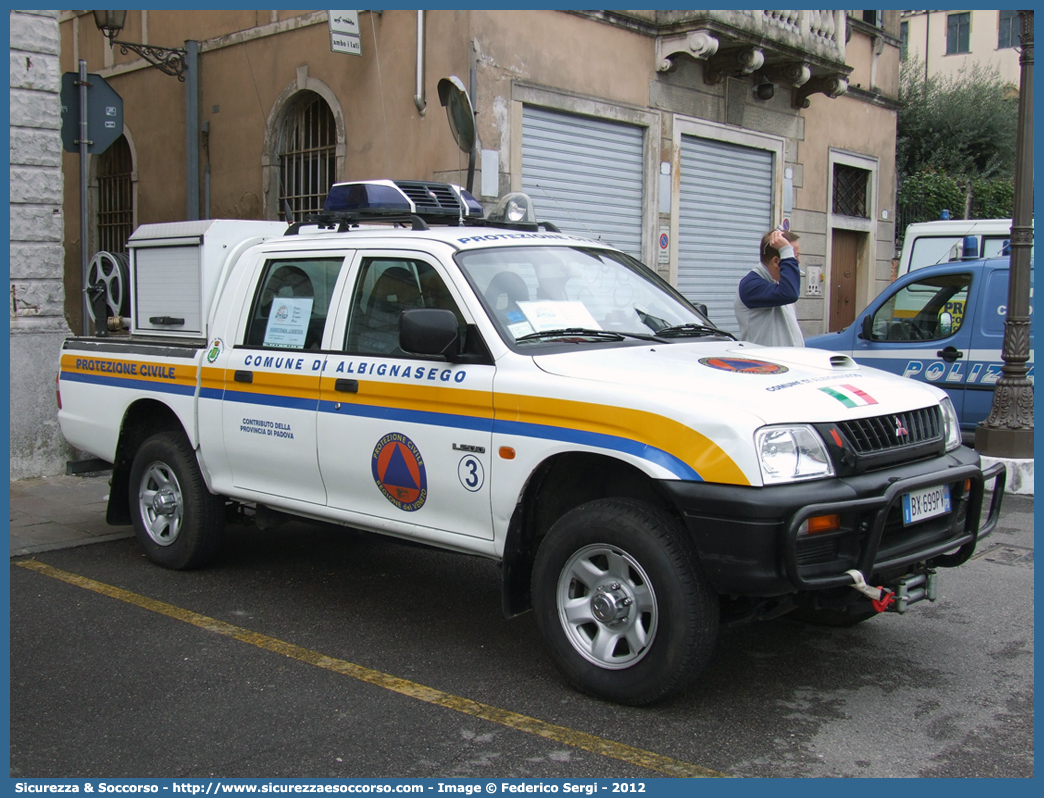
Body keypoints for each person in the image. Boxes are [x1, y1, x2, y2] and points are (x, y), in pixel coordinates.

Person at [734, 228, 804, 347]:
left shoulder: (779, 283)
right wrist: (786, 251)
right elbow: (790, 294)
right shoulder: (751, 286)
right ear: (776, 261)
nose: (798, 261)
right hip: (764, 363)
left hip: (786, 362)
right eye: (794, 257)